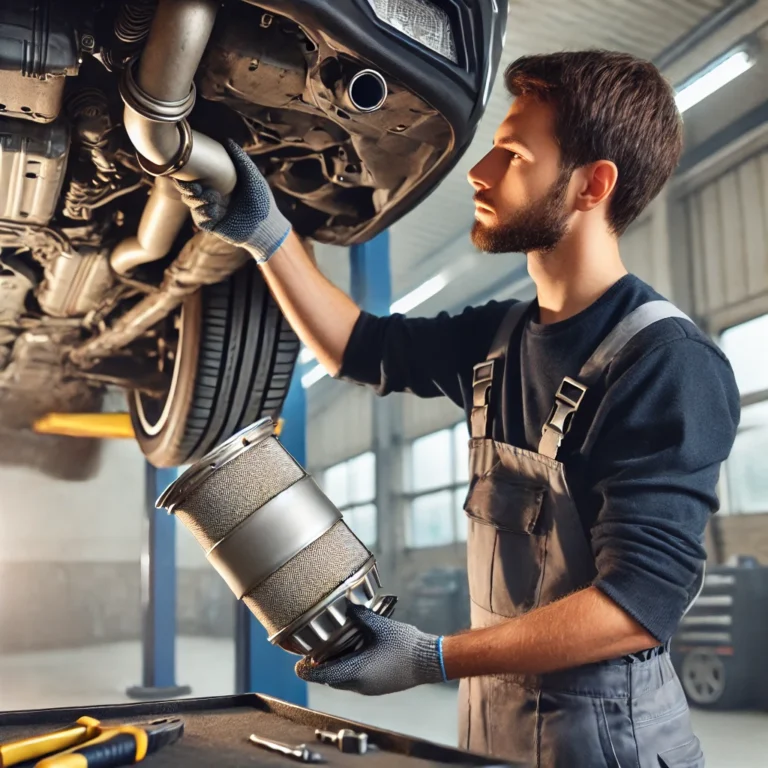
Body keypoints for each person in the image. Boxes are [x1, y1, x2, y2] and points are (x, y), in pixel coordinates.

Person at [175, 50, 740, 767]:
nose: (481, 172)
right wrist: (268, 236)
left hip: (610, 745)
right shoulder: (499, 338)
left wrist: (430, 658)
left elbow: (637, 605)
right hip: (496, 730)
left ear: (592, 185)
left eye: (512, 154)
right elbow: (359, 346)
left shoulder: (665, 364)